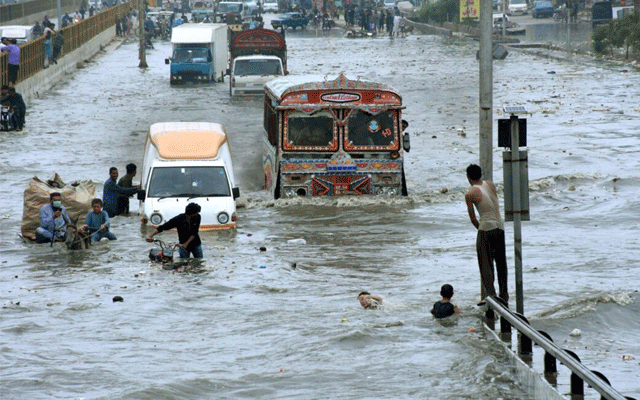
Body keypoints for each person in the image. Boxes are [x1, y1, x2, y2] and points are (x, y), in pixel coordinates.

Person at [465, 164, 508, 305]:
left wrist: (480, 229)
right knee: (501, 262)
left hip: (486, 227)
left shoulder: (470, 194)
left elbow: (473, 218)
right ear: (480, 174)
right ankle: (504, 294)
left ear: (468, 177)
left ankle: (491, 296)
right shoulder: (490, 185)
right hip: (500, 226)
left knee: (485, 265)